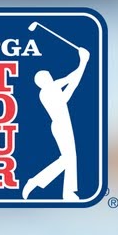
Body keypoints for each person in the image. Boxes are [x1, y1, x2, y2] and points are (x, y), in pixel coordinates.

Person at [22, 45, 89, 201]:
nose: (50, 76)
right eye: (47, 76)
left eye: (49, 74)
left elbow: (72, 84)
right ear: (42, 81)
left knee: (70, 158)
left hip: (64, 123)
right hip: (60, 125)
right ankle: (37, 181)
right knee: (67, 159)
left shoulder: (52, 89)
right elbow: (70, 80)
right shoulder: (47, 91)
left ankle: (67, 192)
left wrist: (83, 63)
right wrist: (83, 61)